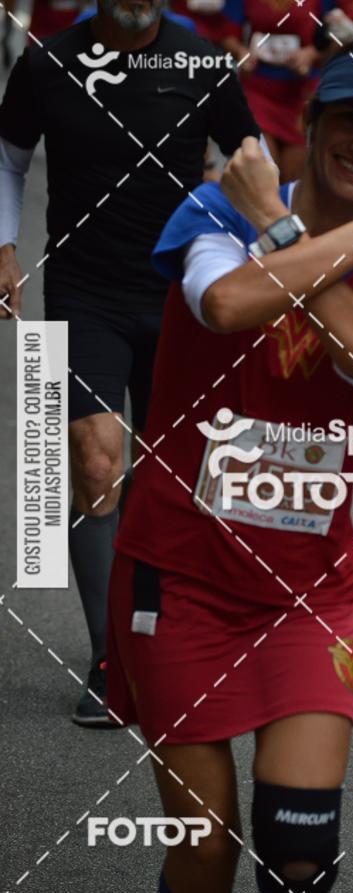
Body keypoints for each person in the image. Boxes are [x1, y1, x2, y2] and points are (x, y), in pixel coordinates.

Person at [106, 33, 353, 893]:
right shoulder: (215, 209)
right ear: (311, 120)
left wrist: (315, 231)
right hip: (179, 576)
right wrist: (303, 222)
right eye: (349, 120)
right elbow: (223, 303)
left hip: (306, 590)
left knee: (300, 855)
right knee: (206, 851)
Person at [0, 0, 259, 726]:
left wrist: (265, 264)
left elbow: (252, 163)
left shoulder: (203, 62)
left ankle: (169, 633)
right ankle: (111, 657)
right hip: (85, 290)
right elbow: (9, 157)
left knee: (175, 476)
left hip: (181, 290)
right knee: (95, 459)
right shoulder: (49, 62)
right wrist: (4, 245)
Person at [219, 0, 328, 182]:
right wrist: (242, 53)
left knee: (295, 178)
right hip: (258, 91)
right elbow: (228, 37)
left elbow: (335, 38)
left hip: (301, 94)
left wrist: (311, 54)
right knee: (262, 173)